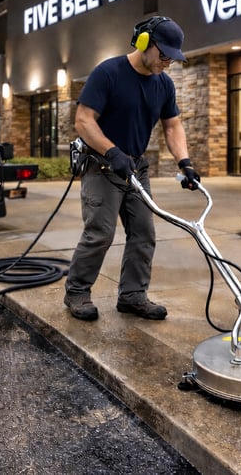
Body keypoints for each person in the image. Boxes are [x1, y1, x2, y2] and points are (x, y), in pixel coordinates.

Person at [63, 16, 200, 322]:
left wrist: (185, 162)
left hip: (136, 167)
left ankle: (132, 295)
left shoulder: (164, 84)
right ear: (144, 42)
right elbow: (84, 120)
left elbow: (172, 125)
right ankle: (77, 292)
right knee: (100, 233)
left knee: (144, 233)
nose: (167, 63)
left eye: (172, 58)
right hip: (102, 165)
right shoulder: (108, 73)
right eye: (163, 55)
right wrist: (112, 151)